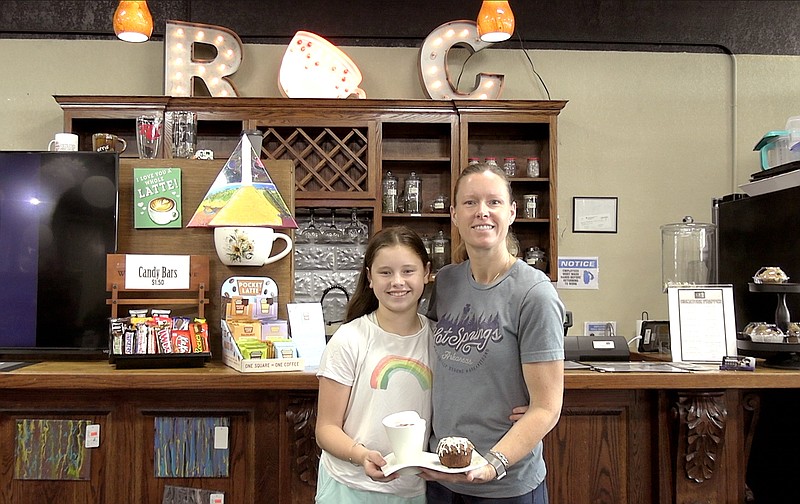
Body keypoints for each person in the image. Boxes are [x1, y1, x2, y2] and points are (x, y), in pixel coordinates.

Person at [421, 162, 566, 503]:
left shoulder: (534, 293)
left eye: (494, 202)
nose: (481, 212)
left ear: (512, 212)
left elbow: (546, 407)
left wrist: (494, 463)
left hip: (505, 484)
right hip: (442, 478)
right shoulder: (446, 282)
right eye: (470, 203)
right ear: (454, 214)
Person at [315, 226, 434, 504]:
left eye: (408, 271)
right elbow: (326, 428)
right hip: (347, 486)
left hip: (412, 491)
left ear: (426, 273)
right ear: (369, 277)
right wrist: (361, 455)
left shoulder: (439, 340)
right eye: (385, 272)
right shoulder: (350, 339)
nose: (397, 281)